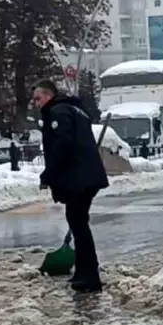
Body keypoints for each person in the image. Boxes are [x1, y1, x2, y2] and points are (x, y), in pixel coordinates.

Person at [33, 79, 110, 293]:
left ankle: (90, 277)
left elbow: (63, 144)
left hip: (79, 178)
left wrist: (49, 174)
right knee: (78, 221)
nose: (36, 103)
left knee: (78, 223)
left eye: (38, 98)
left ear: (48, 96)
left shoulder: (58, 112)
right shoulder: (76, 110)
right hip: (86, 176)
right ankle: (83, 271)